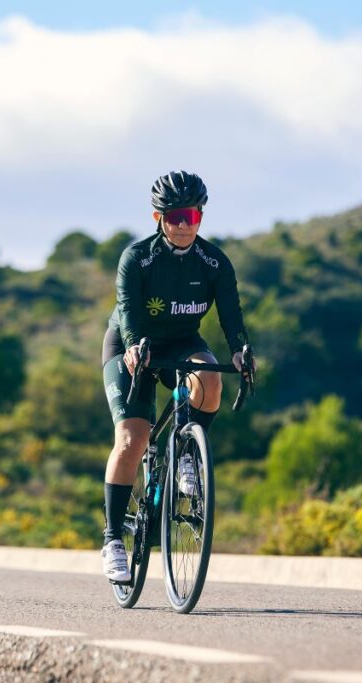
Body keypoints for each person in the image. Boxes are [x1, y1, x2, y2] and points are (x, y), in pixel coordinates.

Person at [100, 170, 254, 583]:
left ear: (201, 215)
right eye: (175, 216)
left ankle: (185, 452)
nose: (184, 224)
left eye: (191, 215)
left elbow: (231, 315)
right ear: (158, 218)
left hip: (182, 342)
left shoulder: (214, 263)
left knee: (211, 379)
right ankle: (114, 538)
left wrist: (240, 349)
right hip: (131, 345)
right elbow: (129, 311)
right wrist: (134, 346)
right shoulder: (137, 258)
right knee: (132, 439)